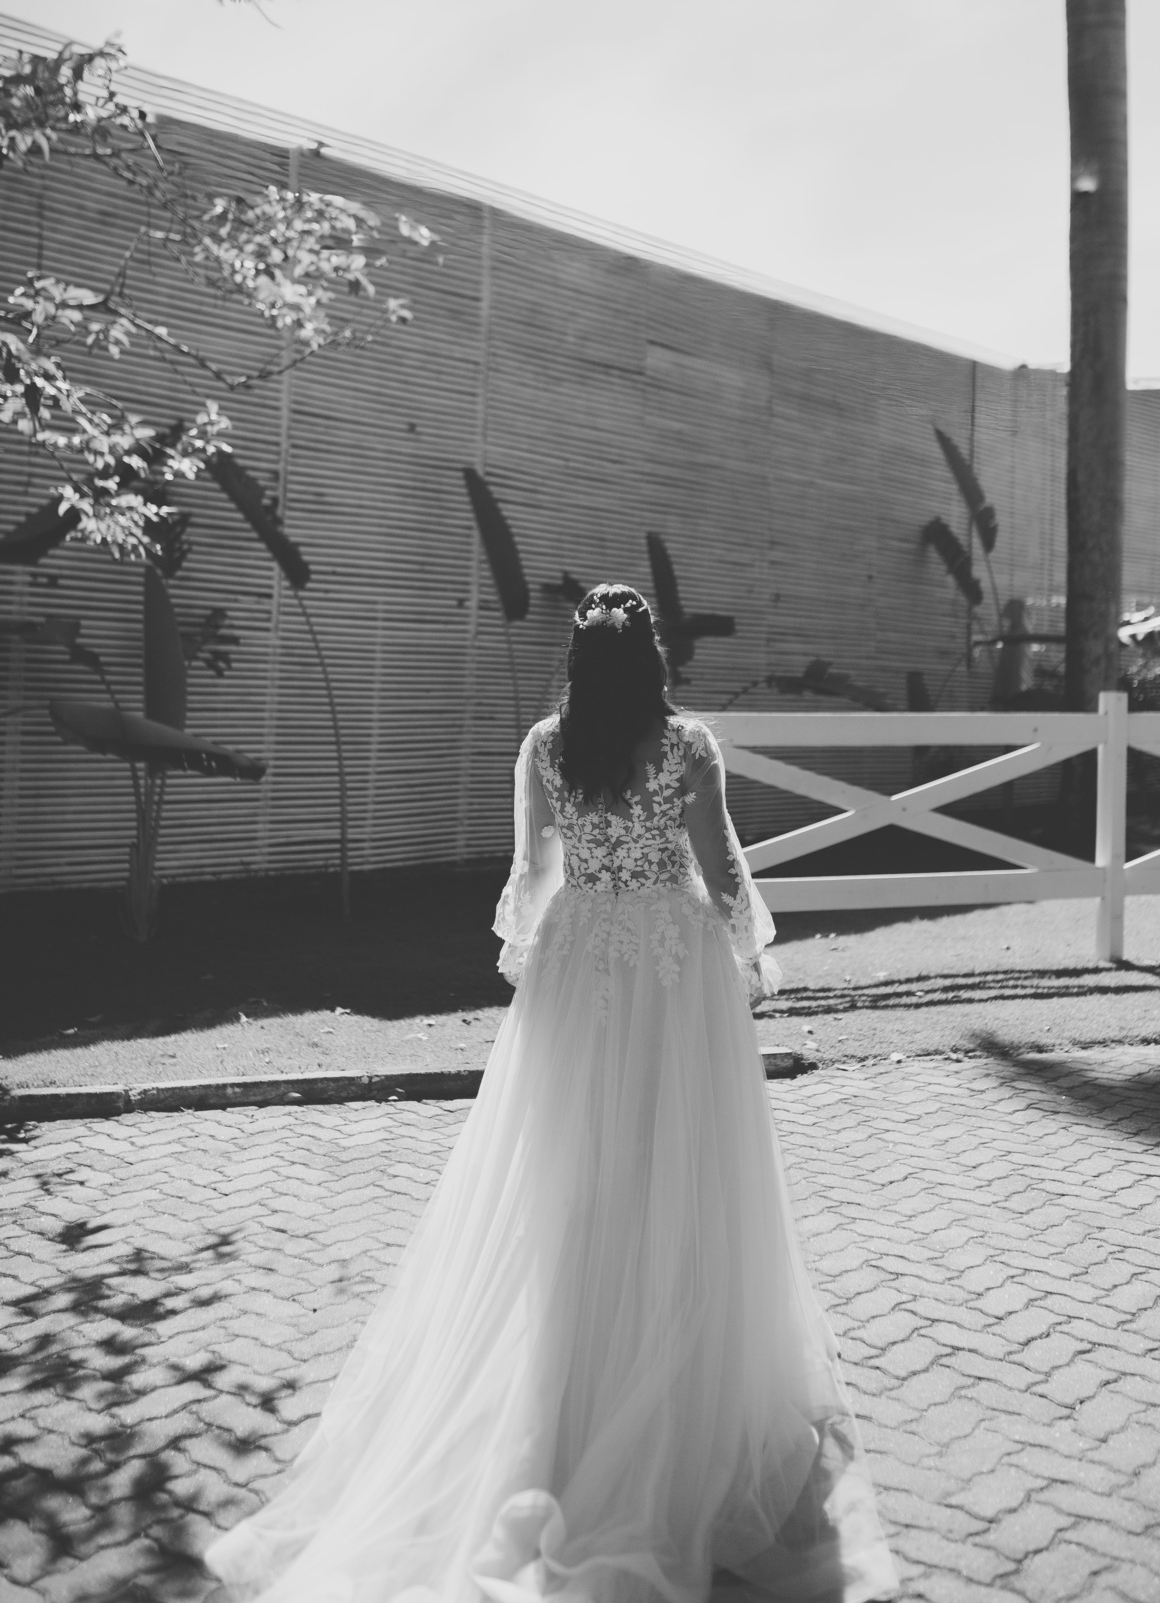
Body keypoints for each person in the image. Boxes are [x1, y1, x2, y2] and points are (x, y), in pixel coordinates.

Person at [205, 583, 898, 1603]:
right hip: (671, 968)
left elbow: (533, 873)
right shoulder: (689, 747)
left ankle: (570, 1369)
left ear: (577, 664)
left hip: (582, 963)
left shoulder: (542, 748)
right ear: (653, 662)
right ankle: (668, 1370)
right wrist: (749, 951)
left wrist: (536, 948)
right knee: (679, 1160)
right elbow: (719, 870)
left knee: (569, 1163)